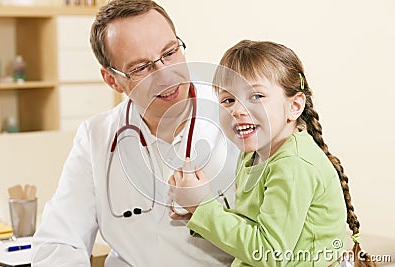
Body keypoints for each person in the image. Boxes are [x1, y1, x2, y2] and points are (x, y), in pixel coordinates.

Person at [32, 0, 238, 266]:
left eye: (170, 52)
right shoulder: (96, 137)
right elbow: (57, 241)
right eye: (141, 68)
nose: (165, 74)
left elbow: (275, 242)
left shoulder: (239, 119)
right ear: (112, 80)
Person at [169, 40, 376, 267]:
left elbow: (269, 254)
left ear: (294, 106)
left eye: (256, 96)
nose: (237, 110)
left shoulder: (293, 165)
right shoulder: (254, 154)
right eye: (228, 100)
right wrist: (199, 212)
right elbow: (254, 225)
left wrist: (203, 208)